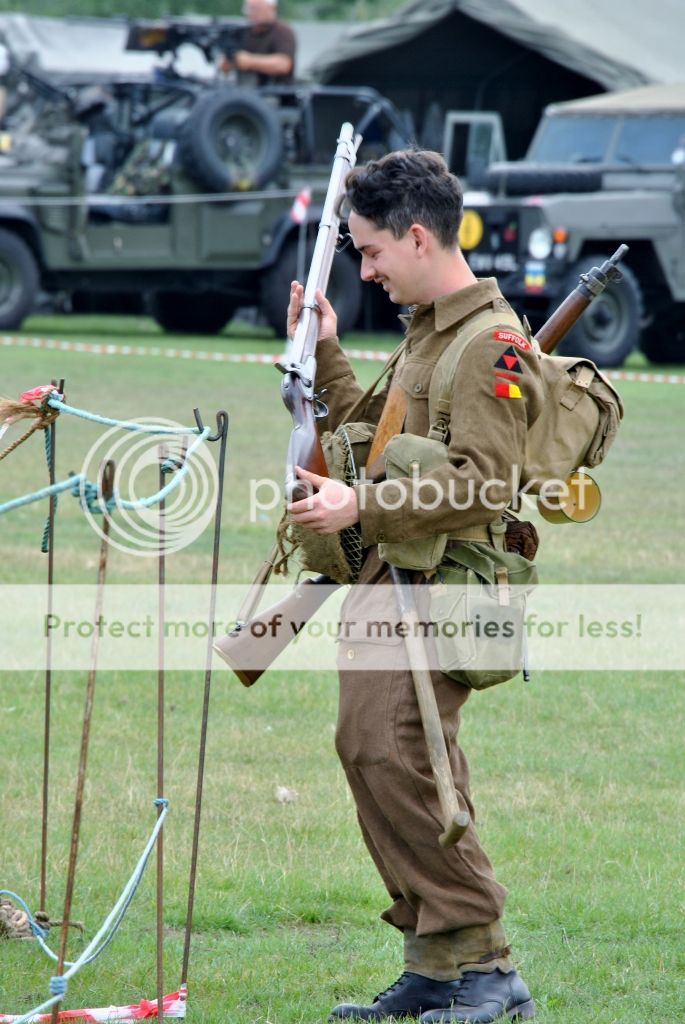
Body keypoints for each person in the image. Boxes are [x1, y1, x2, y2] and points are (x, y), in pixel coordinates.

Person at [285, 150, 543, 1022]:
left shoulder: (488, 342)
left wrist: (363, 501)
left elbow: (483, 480)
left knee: (403, 757)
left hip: (443, 590)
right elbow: (371, 429)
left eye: (369, 252)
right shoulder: (427, 331)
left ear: (418, 235)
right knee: (370, 751)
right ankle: (437, 964)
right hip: (388, 578)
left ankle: (486, 965)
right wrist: (324, 351)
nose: (364, 269)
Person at [219, 0, 296, 86]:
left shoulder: (283, 31)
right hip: (245, 91)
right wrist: (230, 59)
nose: (252, 13)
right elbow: (223, 67)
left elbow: (283, 64)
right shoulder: (242, 32)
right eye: (249, 9)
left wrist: (249, 61)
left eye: (257, 9)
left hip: (275, 92)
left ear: (272, 8)